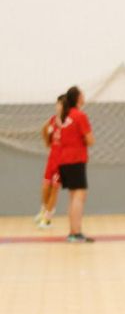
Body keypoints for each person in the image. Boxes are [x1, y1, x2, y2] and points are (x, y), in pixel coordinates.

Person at [55, 86, 94, 243]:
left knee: (73, 197)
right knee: (79, 196)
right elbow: (90, 140)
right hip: (75, 160)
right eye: (82, 94)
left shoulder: (66, 117)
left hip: (64, 160)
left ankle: (73, 231)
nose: (84, 96)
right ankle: (76, 233)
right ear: (78, 98)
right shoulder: (79, 116)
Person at [34, 95, 65, 229]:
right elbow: (43, 130)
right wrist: (48, 141)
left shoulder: (68, 122)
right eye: (57, 103)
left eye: (60, 104)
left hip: (62, 161)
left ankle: (48, 218)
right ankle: (44, 209)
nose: (57, 106)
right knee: (45, 186)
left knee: (54, 188)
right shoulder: (52, 120)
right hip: (52, 159)